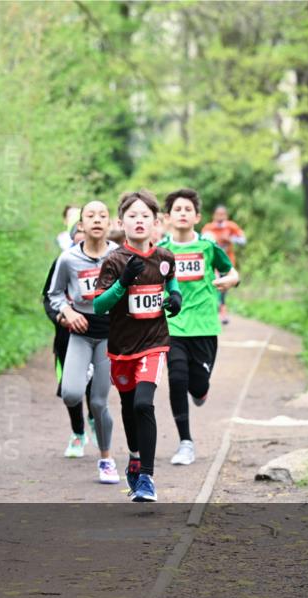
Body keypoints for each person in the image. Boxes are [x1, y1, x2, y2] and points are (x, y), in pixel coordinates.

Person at [93, 189, 182, 502]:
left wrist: (175, 299)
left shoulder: (165, 257)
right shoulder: (113, 262)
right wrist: (122, 283)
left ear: (156, 222)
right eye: (133, 216)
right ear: (122, 222)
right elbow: (100, 306)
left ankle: (146, 477)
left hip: (155, 342)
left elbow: (171, 284)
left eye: (146, 216)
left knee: (145, 403)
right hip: (121, 348)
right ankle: (133, 455)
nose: (139, 221)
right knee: (130, 408)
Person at [158, 189, 240, 465]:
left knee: (198, 384)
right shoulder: (160, 251)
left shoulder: (207, 246)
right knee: (176, 378)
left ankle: (201, 390)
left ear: (197, 216)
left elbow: (232, 271)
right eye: (177, 209)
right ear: (167, 217)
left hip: (204, 325)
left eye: (187, 209)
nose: (182, 213)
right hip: (173, 324)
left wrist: (230, 281)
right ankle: (185, 442)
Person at [47, 201, 118, 482]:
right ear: (81, 225)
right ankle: (81, 429)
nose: (97, 220)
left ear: (110, 223)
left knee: (99, 403)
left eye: (103, 215)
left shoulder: (119, 255)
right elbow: (54, 294)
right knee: (71, 394)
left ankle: (106, 460)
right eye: (91, 215)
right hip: (79, 332)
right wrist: (66, 311)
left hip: (109, 336)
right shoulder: (68, 259)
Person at [42, 225, 97, 457]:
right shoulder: (63, 262)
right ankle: (78, 434)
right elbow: (48, 298)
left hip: (99, 334)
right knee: (70, 388)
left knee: (95, 387)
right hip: (67, 336)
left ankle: (95, 419)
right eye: (78, 238)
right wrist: (60, 317)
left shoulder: (106, 261)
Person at [201, 205, 246, 324]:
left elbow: (243, 240)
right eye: (218, 214)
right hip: (212, 264)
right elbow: (201, 243)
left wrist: (230, 239)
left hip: (227, 263)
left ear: (226, 215)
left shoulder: (231, 226)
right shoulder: (208, 228)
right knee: (213, 286)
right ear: (214, 215)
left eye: (223, 214)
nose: (220, 216)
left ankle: (223, 314)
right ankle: (214, 313)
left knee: (224, 289)